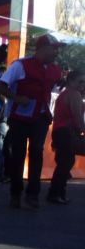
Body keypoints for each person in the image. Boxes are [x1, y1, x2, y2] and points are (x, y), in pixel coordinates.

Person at [0, 33, 64, 209]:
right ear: (42, 48)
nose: (56, 52)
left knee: (36, 152)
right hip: (20, 117)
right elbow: (1, 86)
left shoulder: (55, 70)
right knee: (18, 155)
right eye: (54, 48)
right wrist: (17, 98)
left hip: (40, 117)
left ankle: (33, 194)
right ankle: (15, 193)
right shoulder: (20, 66)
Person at [47, 68, 84, 204]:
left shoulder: (64, 94)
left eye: (84, 82)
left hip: (59, 131)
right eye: (80, 82)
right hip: (66, 132)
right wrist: (83, 130)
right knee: (66, 163)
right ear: (70, 81)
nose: (82, 85)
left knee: (64, 163)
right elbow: (77, 117)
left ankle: (58, 192)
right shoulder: (74, 94)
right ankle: (55, 193)